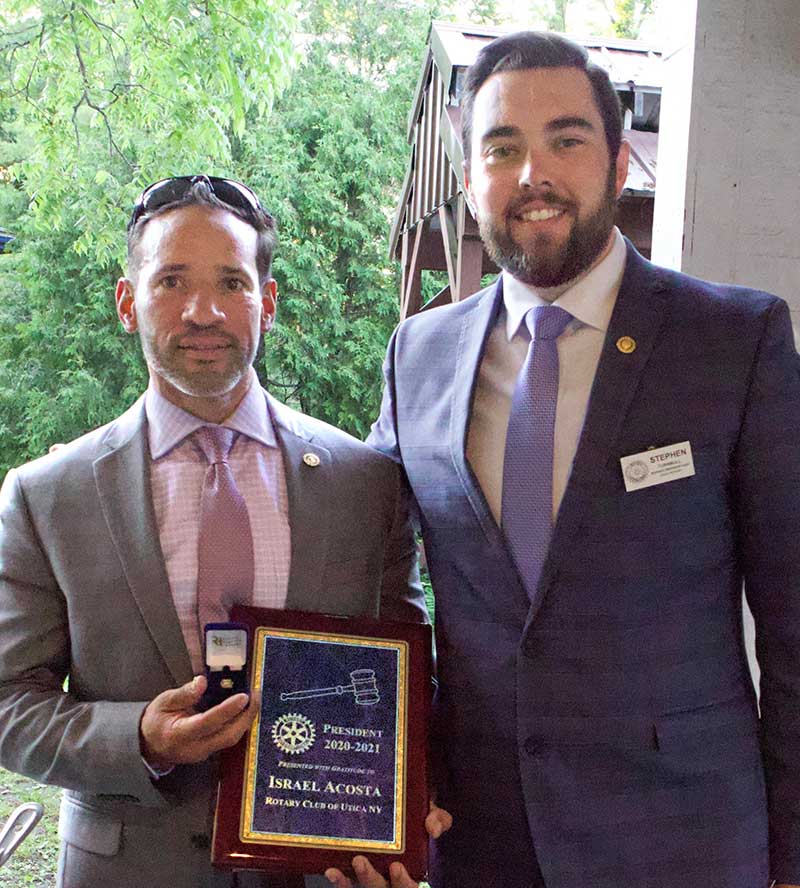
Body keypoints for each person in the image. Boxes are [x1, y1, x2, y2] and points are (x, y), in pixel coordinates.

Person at [367, 31, 800, 888]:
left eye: (566, 140)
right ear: (469, 180)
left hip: (686, 844)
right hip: (480, 842)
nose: (534, 174)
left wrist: (793, 856)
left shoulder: (734, 342)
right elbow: (377, 587)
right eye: (502, 148)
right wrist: (378, 792)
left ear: (618, 163)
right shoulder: (417, 355)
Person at [0, 176, 439, 888]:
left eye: (231, 283)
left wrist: (406, 801)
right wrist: (138, 738)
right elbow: (9, 701)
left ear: (267, 302)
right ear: (127, 303)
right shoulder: (47, 495)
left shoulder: (367, 484)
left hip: (318, 868)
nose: (202, 311)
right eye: (171, 281)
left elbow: (406, 681)